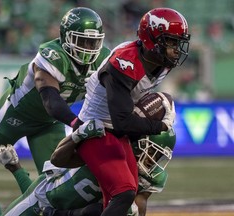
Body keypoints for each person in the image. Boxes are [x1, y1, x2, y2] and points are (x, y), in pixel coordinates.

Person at [0, 7, 111, 188]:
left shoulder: (104, 59)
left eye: (92, 42)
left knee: (55, 182)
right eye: (82, 41)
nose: (87, 48)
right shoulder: (52, 55)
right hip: (16, 115)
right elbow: (51, 102)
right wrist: (77, 124)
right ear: (66, 37)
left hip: (49, 122)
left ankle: (24, 188)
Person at [56, 7, 190, 216]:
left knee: (127, 195)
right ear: (153, 40)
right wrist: (160, 126)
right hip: (96, 129)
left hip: (115, 131)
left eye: (178, 42)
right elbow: (123, 122)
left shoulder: (161, 63)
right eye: (171, 41)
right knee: (124, 192)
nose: (176, 49)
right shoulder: (124, 63)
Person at [0, 119, 176, 216]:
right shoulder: (109, 150)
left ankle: (14, 166)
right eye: (152, 153)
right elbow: (58, 159)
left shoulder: (151, 177)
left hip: (67, 205)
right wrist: (77, 137)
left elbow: (135, 206)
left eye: (159, 157)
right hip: (47, 195)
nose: (152, 162)